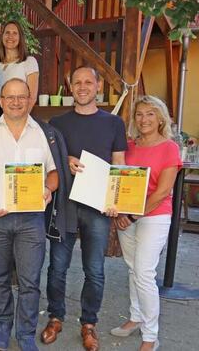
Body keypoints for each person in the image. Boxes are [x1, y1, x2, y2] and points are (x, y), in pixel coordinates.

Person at [0, 78, 71, 351]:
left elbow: (54, 172)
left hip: (31, 219)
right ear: (1, 101)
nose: (15, 102)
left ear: (30, 100)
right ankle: (2, 326)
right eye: (9, 97)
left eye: (21, 97)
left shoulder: (44, 133)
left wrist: (48, 190)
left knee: (30, 280)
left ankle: (25, 333)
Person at [41, 66, 127, 351]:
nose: (82, 87)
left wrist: (119, 201)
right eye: (77, 82)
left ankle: (89, 323)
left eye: (88, 82)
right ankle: (55, 316)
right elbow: (49, 161)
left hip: (98, 207)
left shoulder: (114, 123)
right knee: (57, 268)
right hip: (64, 205)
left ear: (98, 86)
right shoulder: (57, 122)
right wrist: (65, 160)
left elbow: (119, 166)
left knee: (95, 270)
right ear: (70, 86)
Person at [109, 96, 181, 351]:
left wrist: (133, 215)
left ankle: (151, 335)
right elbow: (118, 180)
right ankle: (136, 317)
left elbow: (162, 192)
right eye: (139, 114)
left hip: (154, 215)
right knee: (133, 269)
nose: (144, 119)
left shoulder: (169, 147)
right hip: (127, 216)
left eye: (151, 113)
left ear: (161, 117)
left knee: (144, 272)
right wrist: (119, 212)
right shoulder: (128, 146)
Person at [0, 21, 39, 109]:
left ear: (20, 38)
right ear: (2, 36)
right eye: (7, 32)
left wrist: (20, 119)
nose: (10, 36)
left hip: (17, 112)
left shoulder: (29, 62)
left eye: (15, 33)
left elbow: (32, 98)